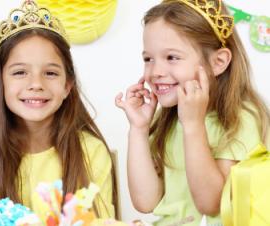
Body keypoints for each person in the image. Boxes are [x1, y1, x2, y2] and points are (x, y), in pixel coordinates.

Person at [115, 0, 270, 225]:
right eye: (148, 59)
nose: (156, 71)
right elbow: (145, 202)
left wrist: (193, 126)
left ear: (218, 62)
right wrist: (138, 129)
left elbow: (211, 204)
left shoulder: (239, 118)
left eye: (172, 57)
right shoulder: (167, 119)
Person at [0, 0, 118, 220]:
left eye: (50, 73)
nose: (36, 83)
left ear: (68, 86)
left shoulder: (90, 151)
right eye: (20, 72)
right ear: (0, 83)